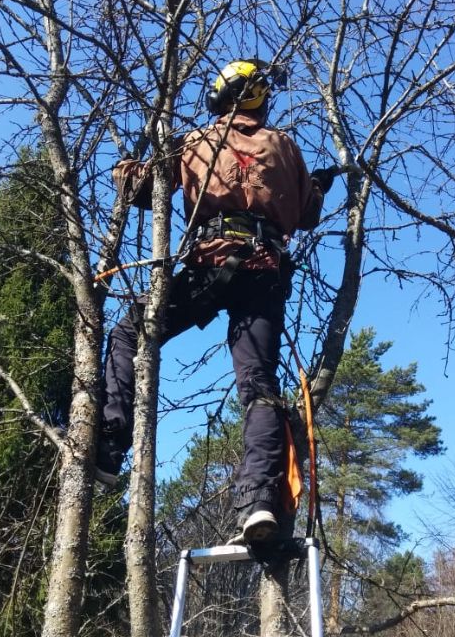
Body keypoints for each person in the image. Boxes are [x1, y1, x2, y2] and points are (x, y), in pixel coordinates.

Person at [98, 59, 335, 544]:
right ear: (257, 97)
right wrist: (315, 188)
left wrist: (127, 165)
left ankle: (108, 441)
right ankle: (260, 504)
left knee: (129, 332)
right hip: (265, 274)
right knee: (259, 384)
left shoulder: (198, 142)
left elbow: (140, 187)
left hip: (211, 266)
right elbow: (308, 214)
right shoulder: (285, 146)